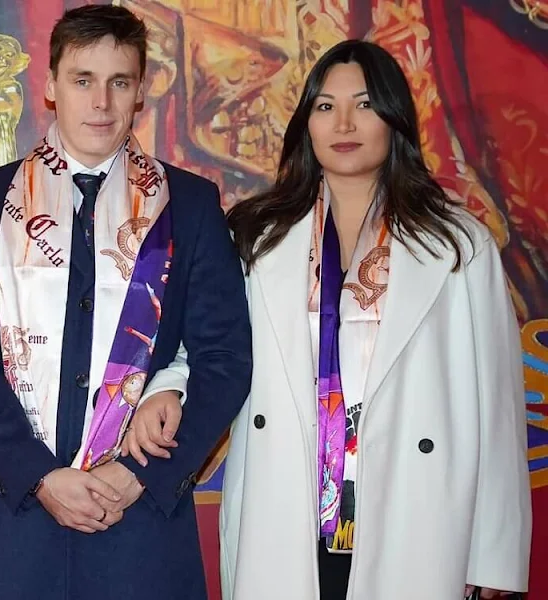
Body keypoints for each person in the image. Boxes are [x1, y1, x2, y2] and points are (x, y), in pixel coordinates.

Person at [126, 40, 531, 599]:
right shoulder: (254, 237)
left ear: (395, 119)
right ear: (306, 124)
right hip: (287, 498)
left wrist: (495, 552)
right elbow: (206, 347)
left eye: (364, 105)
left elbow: (498, 403)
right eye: (325, 106)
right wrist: (166, 387)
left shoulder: (459, 244)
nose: (344, 122)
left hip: (416, 504)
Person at [0, 5, 251, 600]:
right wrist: (40, 477)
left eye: (120, 82)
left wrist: (139, 477)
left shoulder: (189, 203)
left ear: (141, 93)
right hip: (15, 516)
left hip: (139, 521)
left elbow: (226, 357)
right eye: (83, 80)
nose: (101, 102)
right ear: (51, 86)